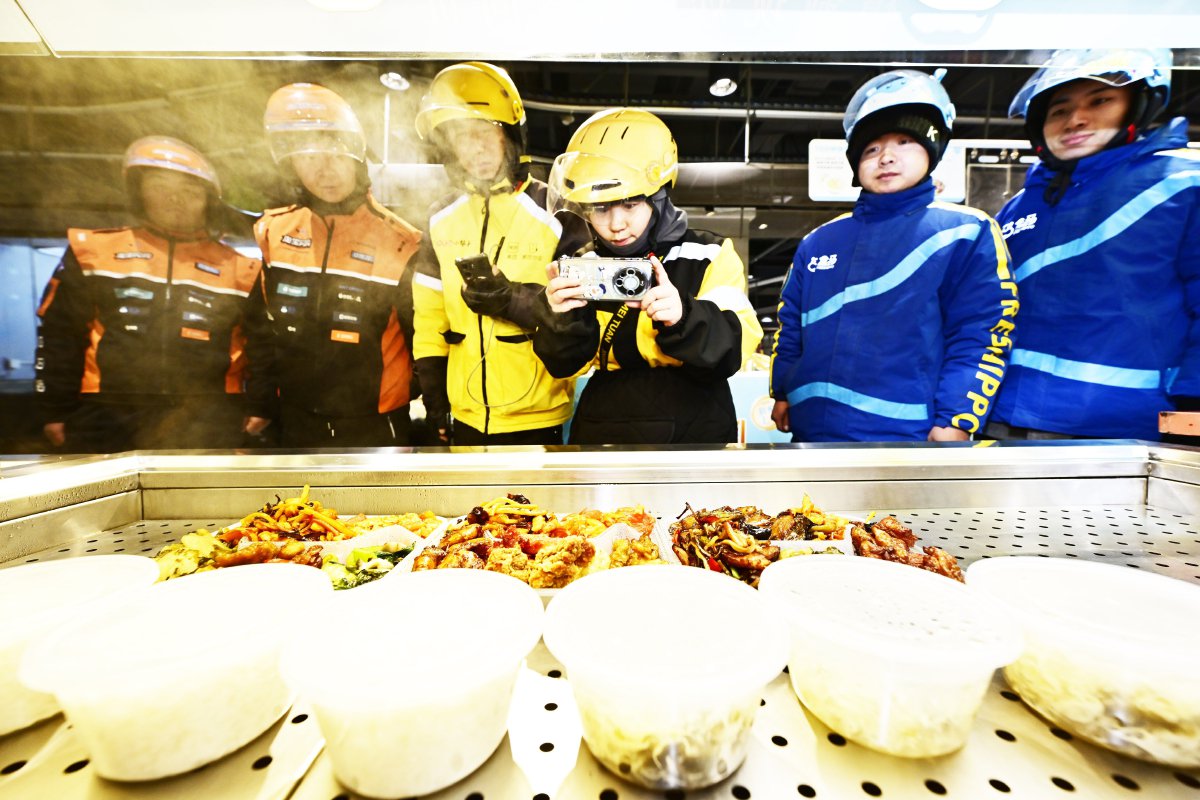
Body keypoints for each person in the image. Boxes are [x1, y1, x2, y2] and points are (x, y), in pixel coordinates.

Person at [770, 69, 1017, 442]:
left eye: (904, 142)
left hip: (910, 438)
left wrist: (957, 418)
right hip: (812, 433)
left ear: (932, 150)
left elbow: (981, 333)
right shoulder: (818, 242)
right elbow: (791, 326)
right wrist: (783, 390)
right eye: (871, 148)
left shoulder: (965, 231)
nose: (886, 157)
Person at [984, 48, 1200, 441]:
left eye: (1100, 101)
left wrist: (1193, 406)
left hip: (1125, 429)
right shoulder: (1020, 206)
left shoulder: (1183, 185)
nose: (1076, 119)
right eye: (1059, 110)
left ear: (1138, 105)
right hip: (1005, 419)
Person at [536, 108, 763, 445]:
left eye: (630, 204)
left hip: (695, 429)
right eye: (600, 208)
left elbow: (735, 346)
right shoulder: (585, 265)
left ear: (658, 197)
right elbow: (563, 366)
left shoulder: (708, 254)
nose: (615, 225)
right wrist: (561, 321)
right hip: (603, 425)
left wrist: (684, 316)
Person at [35, 135, 262, 452]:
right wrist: (54, 409)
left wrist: (260, 406)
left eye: (190, 191)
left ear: (209, 200)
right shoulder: (92, 250)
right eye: (160, 186)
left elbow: (262, 347)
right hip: (106, 414)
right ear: (139, 192)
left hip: (209, 416)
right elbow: (60, 334)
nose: (175, 199)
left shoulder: (242, 267)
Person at [412, 61, 589, 446]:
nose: (474, 149)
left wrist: (512, 300)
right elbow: (429, 321)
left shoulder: (557, 212)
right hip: (464, 417)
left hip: (539, 419)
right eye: (461, 137)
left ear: (509, 134)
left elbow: (580, 321)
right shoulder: (439, 218)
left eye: (483, 133)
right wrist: (436, 402)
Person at [247, 82, 422, 447]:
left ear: (357, 157)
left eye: (336, 155)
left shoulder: (402, 241)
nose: (325, 170)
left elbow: (423, 342)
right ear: (291, 164)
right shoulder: (273, 231)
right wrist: (262, 404)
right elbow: (262, 330)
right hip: (295, 420)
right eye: (309, 157)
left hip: (376, 424)